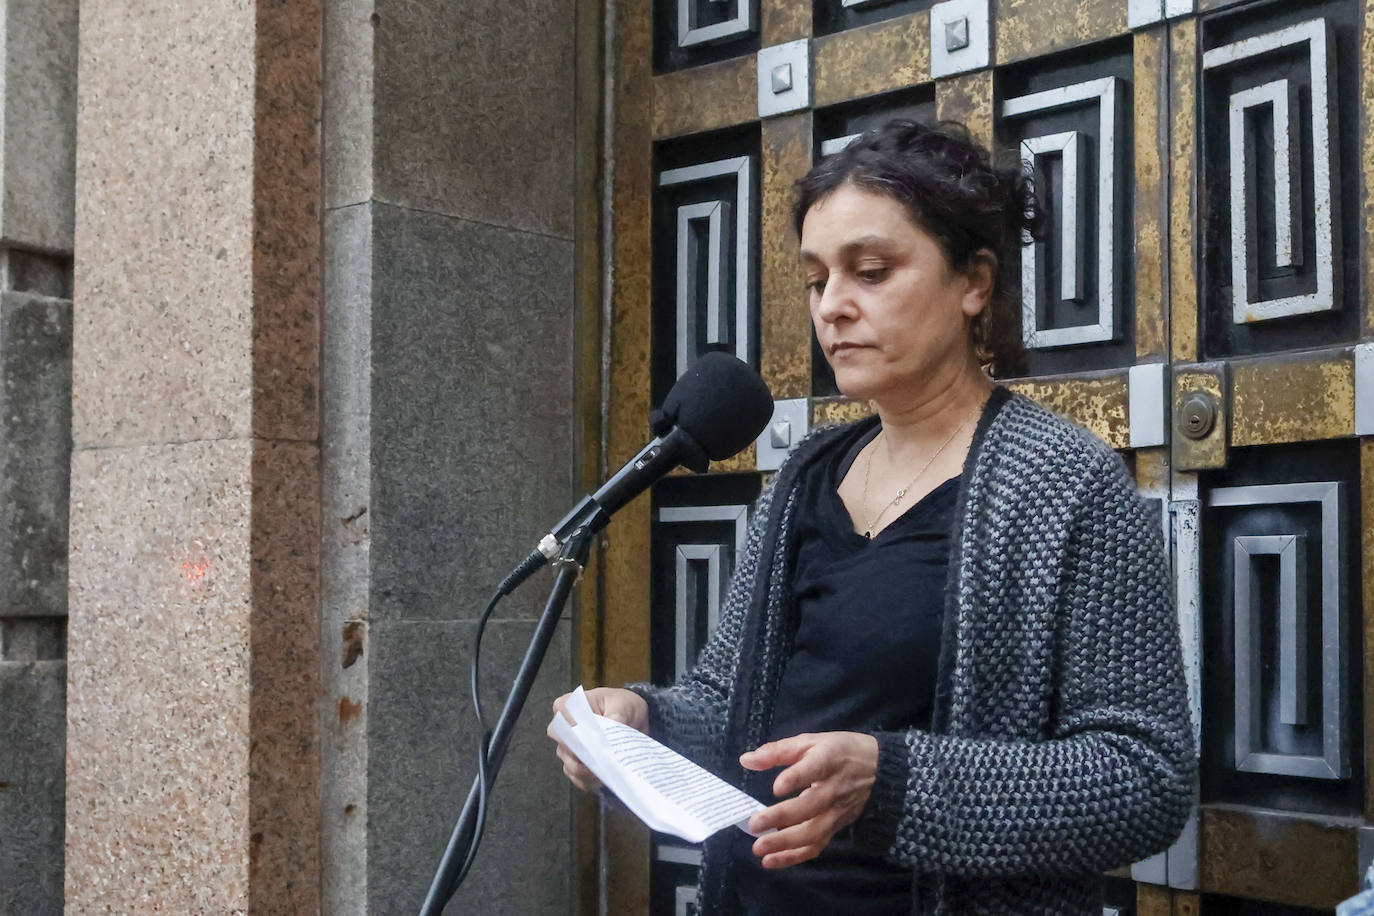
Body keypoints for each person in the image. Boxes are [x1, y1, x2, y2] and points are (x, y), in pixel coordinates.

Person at [547, 119, 1196, 915]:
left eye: (873, 271)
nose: (833, 308)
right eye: (818, 280)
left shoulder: (1065, 483)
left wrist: (889, 781)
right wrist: (645, 721)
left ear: (974, 284)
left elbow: (1145, 781)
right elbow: (730, 706)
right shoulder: (806, 476)